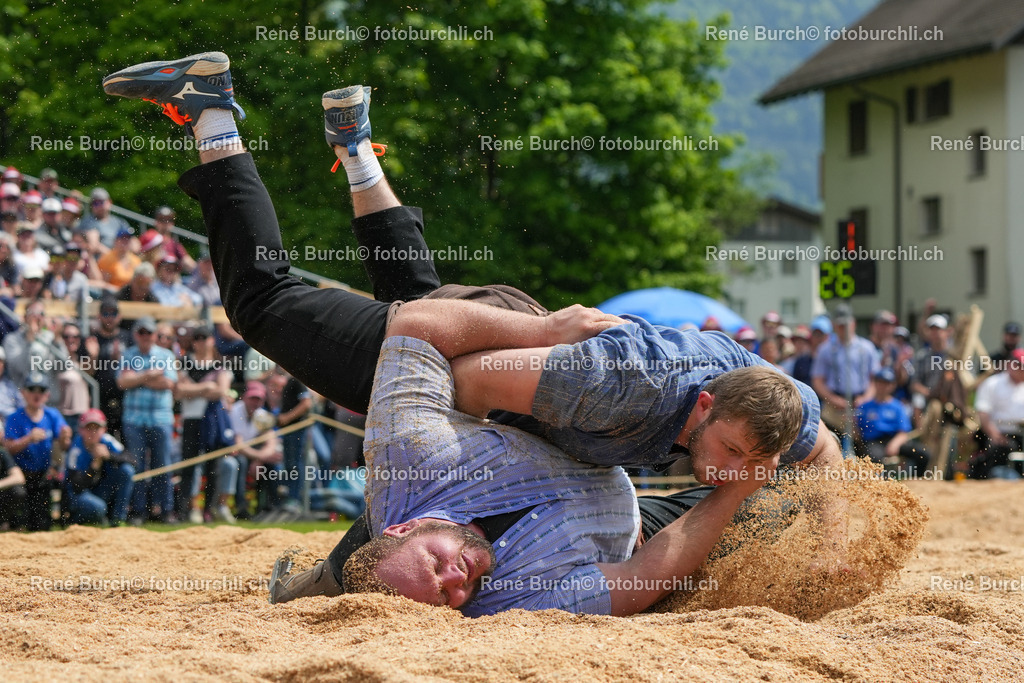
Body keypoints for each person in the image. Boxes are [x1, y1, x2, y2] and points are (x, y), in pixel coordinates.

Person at [103, 51, 843, 616]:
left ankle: (331, 143)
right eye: (734, 452)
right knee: (267, 302)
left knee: (411, 386)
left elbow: (819, 449)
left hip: (504, 379)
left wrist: (842, 530)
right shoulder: (602, 394)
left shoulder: (764, 401)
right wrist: (541, 331)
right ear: (709, 409)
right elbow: (449, 364)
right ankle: (216, 114)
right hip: (497, 357)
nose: (457, 586)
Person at [117, 316, 178, 524]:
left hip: (160, 419)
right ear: (136, 334)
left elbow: (168, 383)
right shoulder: (128, 354)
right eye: (141, 332)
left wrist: (138, 379)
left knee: (163, 466)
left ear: (155, 335)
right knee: (137, 467)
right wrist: (149, 375)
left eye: (149, 333)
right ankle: (138, 511)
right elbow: (123, 382)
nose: (145, 336)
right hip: (134, 419)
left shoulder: (166, 355)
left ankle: (165, 510)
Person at [2, 371, 71, 531]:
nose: (36, 394)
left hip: (43, 477)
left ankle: (66, 520)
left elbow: (64, 444)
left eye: (41, 390)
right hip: (22, 478)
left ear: (47, 394)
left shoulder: (52, 415)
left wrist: (64, 437)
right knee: (19, 524)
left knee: (41, 525)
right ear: (23, 393)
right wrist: (28, 439)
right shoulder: (14, 418)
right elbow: (8, 449)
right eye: (32, 389)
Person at [811, 304, 879, 437]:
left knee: (863, 446)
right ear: (834, 326)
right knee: (829, 440)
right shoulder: (825, 349)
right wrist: (833, 399)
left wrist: (865, 398)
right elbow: (817, 380)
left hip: (860, 402)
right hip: (834, 403)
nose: (843, 328)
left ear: (853, 323)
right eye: (840, 325)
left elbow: (874, 379)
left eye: (846, 324)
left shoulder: (867, 348)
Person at [63, 409, 135, 526]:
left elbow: (132, 459)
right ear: (81, 430)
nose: (93, 432)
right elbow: (77, 486)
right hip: (80, 494)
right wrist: (94, 466)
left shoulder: (107, 441)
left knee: (127, 470)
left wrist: (109, 456)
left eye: (96, 428)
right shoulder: (76, 449)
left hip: (100, 490)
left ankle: (118, 519)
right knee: (98, 507)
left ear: (104, 429)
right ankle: (75, 521)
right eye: (88, 428)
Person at [855, 368, 930, 478]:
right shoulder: (864, 406)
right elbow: (856, 430)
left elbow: (904, 431)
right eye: (880, 383)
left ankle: (917, 481)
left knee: (924, 454)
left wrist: (895, 443)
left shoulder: (898, 407)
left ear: (892, 385)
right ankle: (880, 485)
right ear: (875, 384)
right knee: (874, 458)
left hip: (894, 439)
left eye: (887, 383)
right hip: (873, 442)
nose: (883, 386)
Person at [972, 349, 1024, 479]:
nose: (1021, 369)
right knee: (999, 449)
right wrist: (994, 434)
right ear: (1010, 364)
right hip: (996, 432)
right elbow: (983, 413)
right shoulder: (993, 384)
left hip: (1020, 433)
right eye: (1019, 365)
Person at [0, 445, 27, 531]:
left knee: (18, 491)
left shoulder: (2, 452)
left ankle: (3, 522)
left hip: (2, 494)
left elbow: (19, 478)